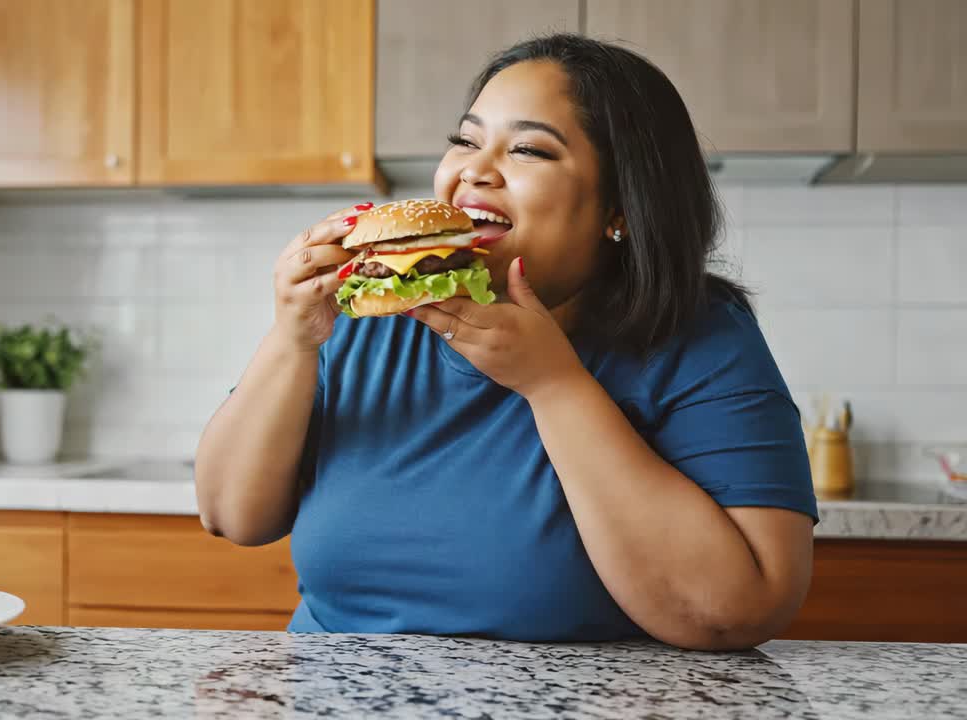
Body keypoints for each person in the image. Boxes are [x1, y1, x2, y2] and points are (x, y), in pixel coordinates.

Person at [194, 34, 817, 650]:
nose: (474, 171)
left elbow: (738, 611)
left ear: (620, 207)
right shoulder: (369, 312)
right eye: (465, 141)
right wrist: (293, 340)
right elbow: (231, 516)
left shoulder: (698, 334)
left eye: (528, 151)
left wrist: (553, 385)